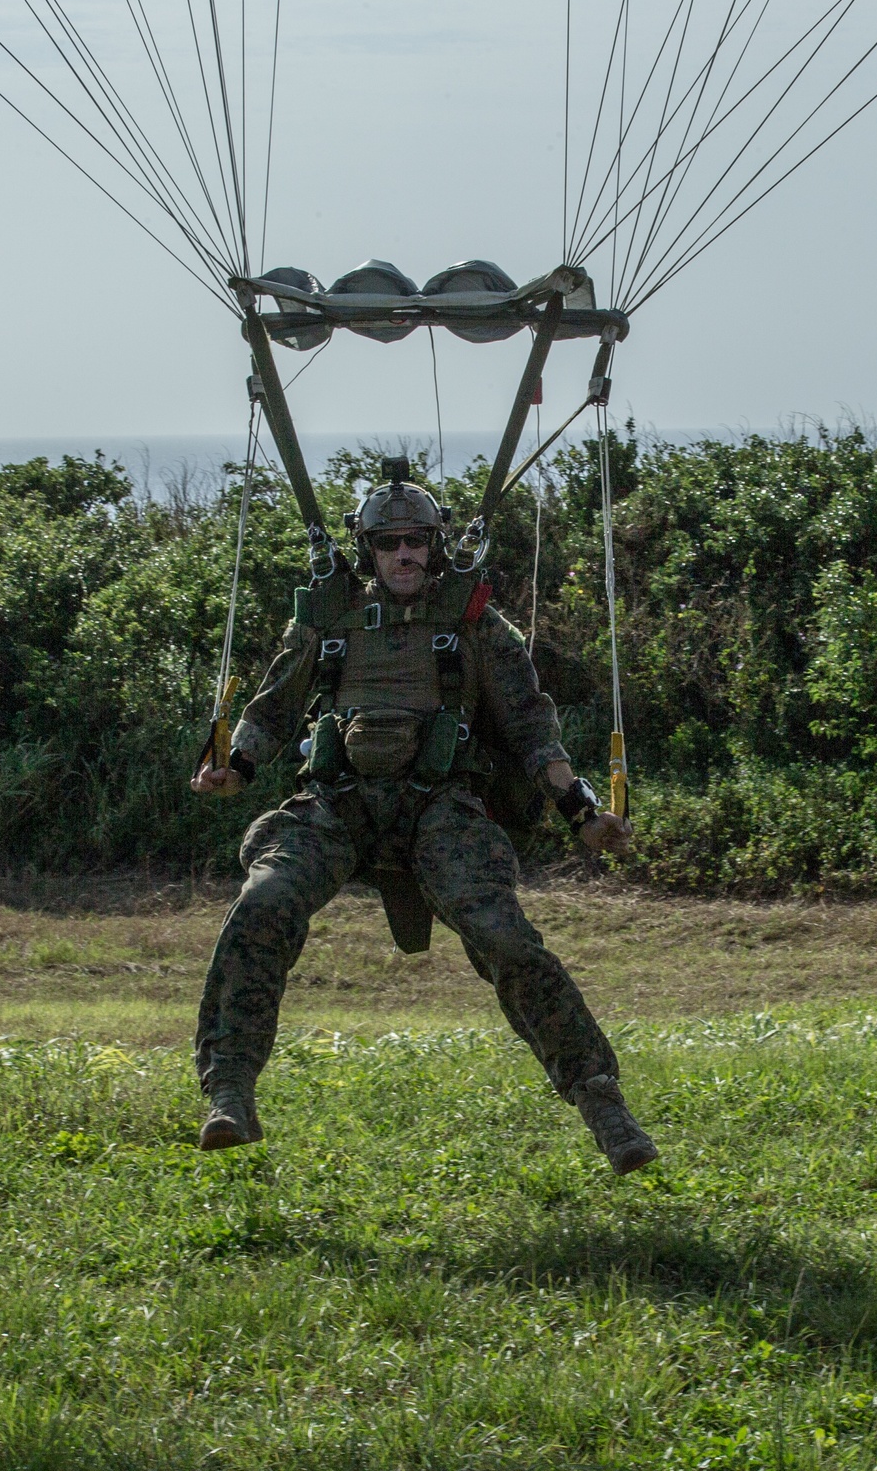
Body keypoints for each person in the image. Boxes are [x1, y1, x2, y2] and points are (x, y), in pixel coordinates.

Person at [191, 462, 658, 1176]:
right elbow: (269, 710)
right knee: (263, 902)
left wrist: (583, 813)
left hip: (442, 807)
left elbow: (534, 729)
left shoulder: (474, 622)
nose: (403, 555)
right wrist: (234, 766)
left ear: (435, 547)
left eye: (415, 541)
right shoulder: (326, 616)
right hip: (335, 804)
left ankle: (603, 1104)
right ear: (367, 551)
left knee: (505, 937)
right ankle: (230, 1090)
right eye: (387, 543)